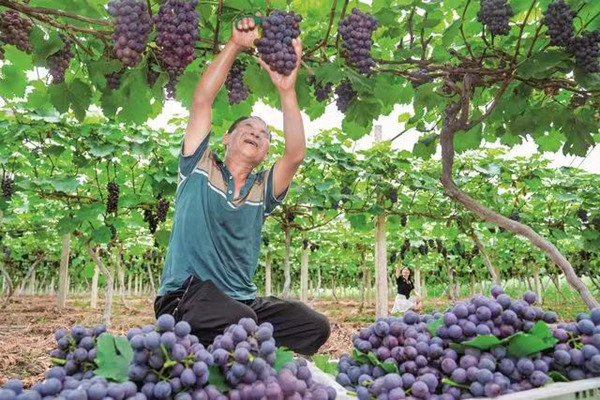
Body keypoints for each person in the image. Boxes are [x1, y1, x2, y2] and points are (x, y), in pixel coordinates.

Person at [154, 16, 330, 355]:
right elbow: (202, 100)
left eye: (265, 134)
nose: (256, 133)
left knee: (313, 325)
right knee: (244, 324)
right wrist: (234, 45)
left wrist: (287, 90)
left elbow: (295, 154)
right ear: (226, 138)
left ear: (265, 152)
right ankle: (209, 357)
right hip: (185, 298)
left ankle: (243, 363)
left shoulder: (261, 190)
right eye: (248, 127)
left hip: (242, 302)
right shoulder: (197, 166)